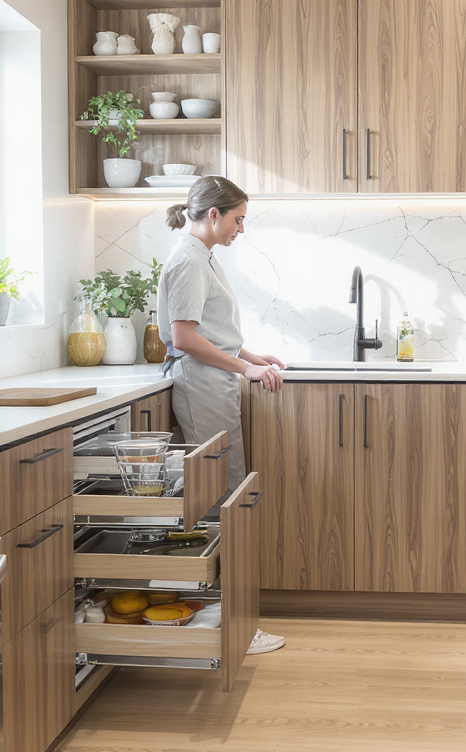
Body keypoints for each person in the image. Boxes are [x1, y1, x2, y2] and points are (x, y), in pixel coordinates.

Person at [157, 175, 286, 656]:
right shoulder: (189, 261)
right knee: (221, 497)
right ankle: (226, 627)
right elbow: (185, 338)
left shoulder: (200, 257)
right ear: (214, 215)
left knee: (226, 493)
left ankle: (224, 622)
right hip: (201, 384)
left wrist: (251, 356)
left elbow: (211, 329)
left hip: (213, 382)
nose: (240, 229)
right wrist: (244, 368)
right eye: (238, 220)